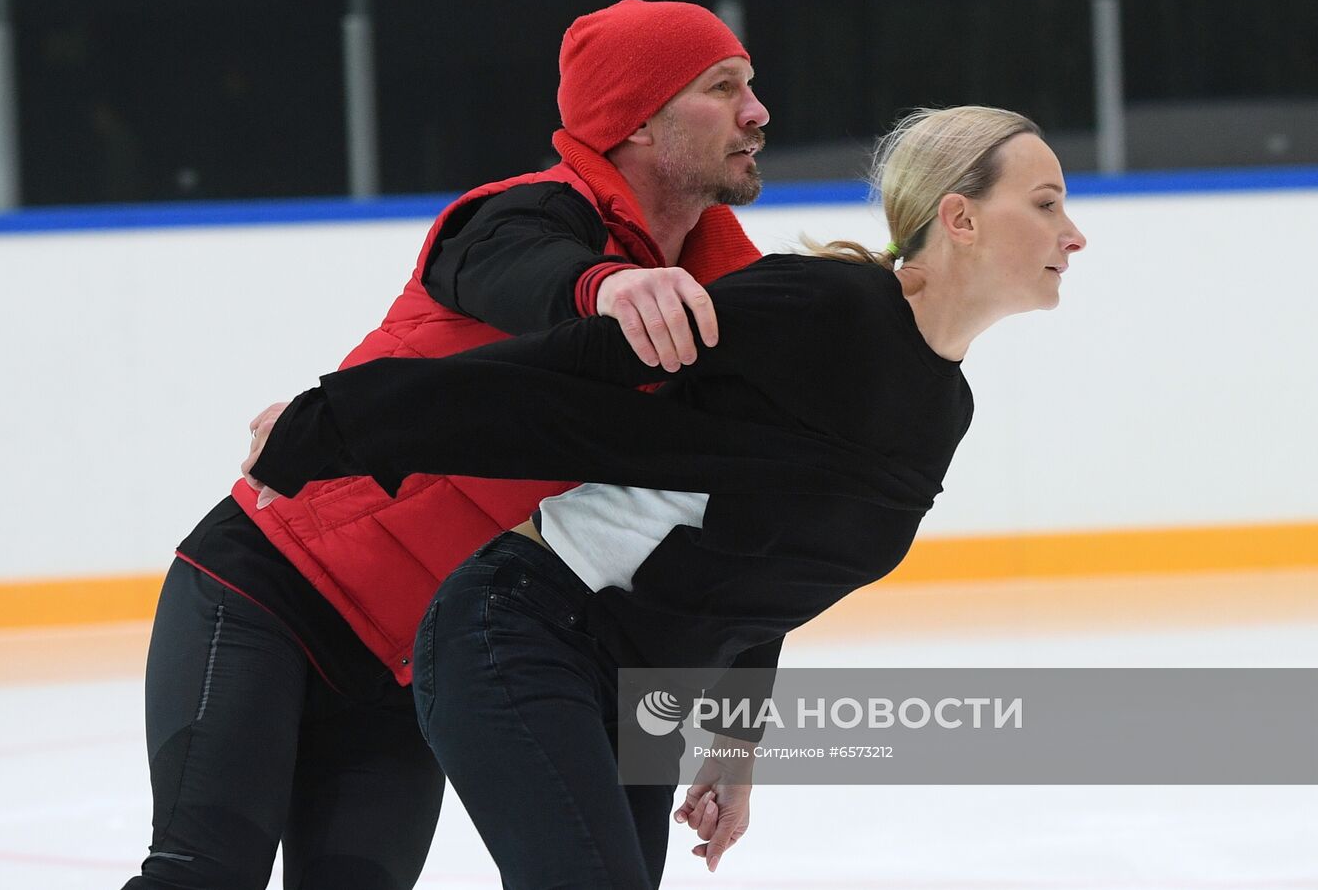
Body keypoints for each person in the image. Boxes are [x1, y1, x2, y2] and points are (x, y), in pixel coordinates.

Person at [244, 105, 1088, 889]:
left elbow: (769, 559)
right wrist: (340, 419)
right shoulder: (826, 308)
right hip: (522, 627)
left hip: (639, 692)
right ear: (960, 217)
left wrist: (736, 739)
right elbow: (571, 369)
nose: (1073, 234)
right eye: (1046, 204)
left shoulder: (943, 408)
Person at [124, 0, 771, 890]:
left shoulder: (727, 308)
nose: (757, 111)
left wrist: (735, 740)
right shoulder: (517, 218)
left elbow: (747, 536)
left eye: (750, 85)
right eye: (723, 87)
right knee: (202, 874)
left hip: (411, 663)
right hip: (266, 592)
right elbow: (513, 269)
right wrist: (607, 286)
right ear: (637, 121)